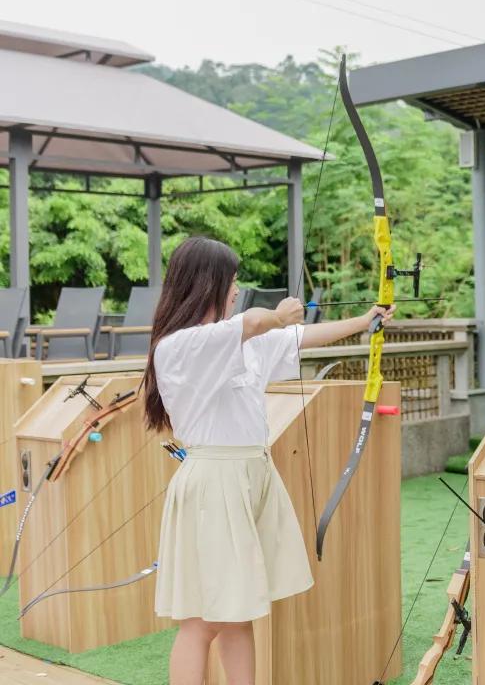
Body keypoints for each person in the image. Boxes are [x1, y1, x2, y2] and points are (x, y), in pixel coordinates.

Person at [140, 236, 394, 685]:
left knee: (238, 614)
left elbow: (300, 336)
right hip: (216, 482)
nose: (237, 289)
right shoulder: (180, 346)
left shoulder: (239, 340)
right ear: (208, 283)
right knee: (202, 621)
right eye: (232, 280)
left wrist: (364, 320)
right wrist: (276, 315)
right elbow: (258, 323)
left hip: (249, 476)